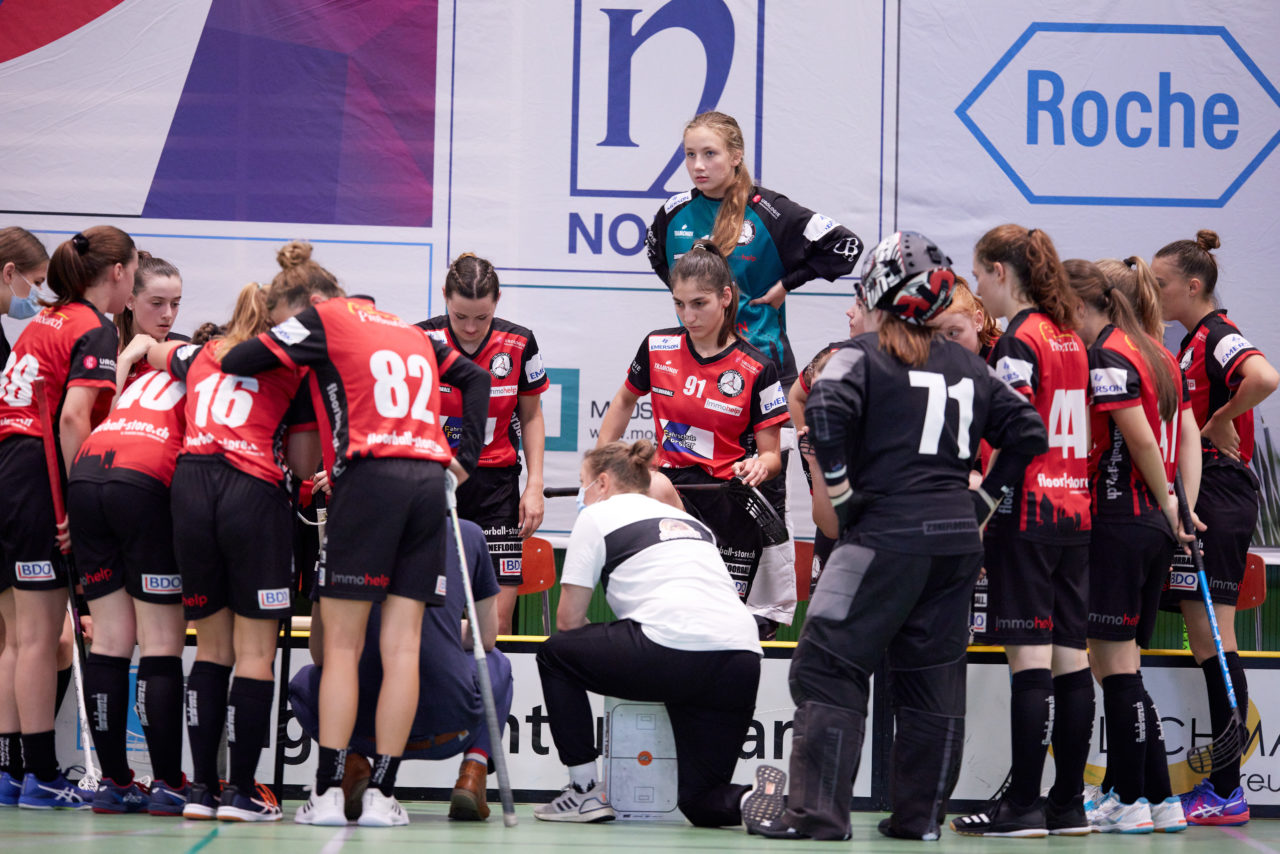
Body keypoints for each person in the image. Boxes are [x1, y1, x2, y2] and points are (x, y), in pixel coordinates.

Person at [745, 231, 1047, 842]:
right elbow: (1029, 431)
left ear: (881, 289)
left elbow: (825, 410)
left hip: (882, 537)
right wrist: (984, 499)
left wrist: (844, 492)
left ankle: (815, 818)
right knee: (932, 677)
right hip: (957, 545)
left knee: (825, 665)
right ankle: (919, 821)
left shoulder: (862, 353)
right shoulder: (967, 363)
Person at [220, 243, 490, 828]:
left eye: (282, 320)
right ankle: (381, 797)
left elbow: (238, 360)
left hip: (369, 477)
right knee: (402, 648)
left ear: (308, 302)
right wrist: (462, 459)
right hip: (427, 481)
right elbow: (474, 377)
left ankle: (325, 793)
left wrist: (287, 348)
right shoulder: (408, 328)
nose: (284, 331)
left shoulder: (323, 317)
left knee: (340, 647)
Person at [647, 111, 865, 632]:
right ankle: (690, 609)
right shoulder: (673, 211)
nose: (697, 166)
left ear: (736, 156)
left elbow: (847, 246)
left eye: (710, 155)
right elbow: (663, 263)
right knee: (695, 483)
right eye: (690, 156)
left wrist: (788, 282)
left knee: (760, 491)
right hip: (695, 367)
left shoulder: (769, 210)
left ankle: (765, 618)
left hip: (761, 365)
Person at [148, 265, 320, 822]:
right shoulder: (290, 364)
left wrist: (133, 355)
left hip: (190, 487)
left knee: (212, 649)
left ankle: (200, 790)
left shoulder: (202, 352)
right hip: (250, 492)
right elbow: (302, 464)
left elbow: (156, 355)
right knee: (253, 655)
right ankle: (241, 792)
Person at [534, 439, 773, 828]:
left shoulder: (598, 515)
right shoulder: (696, 527)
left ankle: (583, 792)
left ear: (603, 482)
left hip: (673, 649)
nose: (581, 493)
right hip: (741, 658)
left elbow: (568, 622)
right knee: (700, 800)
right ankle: (760, 800)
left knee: (555, 654)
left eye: (583, 483)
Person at [951, 225, 1094, 838]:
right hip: (1076, 512)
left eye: (980, 274)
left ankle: (1024, 806)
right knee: (1071, 659)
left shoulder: (1018, 341)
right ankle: (1067, 805)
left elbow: (1014, 433)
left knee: (1030, 662)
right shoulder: (1070, 338)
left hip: (1028, 512)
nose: (979, 286)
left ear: (1001, 273)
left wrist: (984, 502)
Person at [0, 227, 135, 808]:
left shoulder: (44, 320)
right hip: (33, 473)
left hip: (10, 465)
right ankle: (42, 775)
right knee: (35, 637)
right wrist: (81, 505)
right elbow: (74, 418)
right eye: (134, 270)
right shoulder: (91, 327)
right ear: (119, 273)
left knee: (17, 637)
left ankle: (12, 771)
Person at [1153, 230, 1279, 826]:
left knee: (1217, 639)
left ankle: (1227, 791)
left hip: (1223, 494)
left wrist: (1220, 421)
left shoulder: (1219, 336)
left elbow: (1265, 377)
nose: (1155, 292)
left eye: (1162, 284)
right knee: (1204, 643)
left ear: (1193, 287)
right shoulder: (1189, 341)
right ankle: (1221, 788)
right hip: (1201, 494)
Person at [1066, 259, 1197, 832]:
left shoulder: (1111, 354)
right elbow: (1187, 434)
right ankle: (1156, 797)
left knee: (1114, 668)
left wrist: (1170, 501)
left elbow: (1141, 437)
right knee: (1125, 667)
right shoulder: (1158, 352)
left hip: (1120, 521)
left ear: (1082, 304)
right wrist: (1180, 505)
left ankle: (1132, 799)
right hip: (1151, 527)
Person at [597, 242, 787, 619]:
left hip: (729, 501)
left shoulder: (757, 367)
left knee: (719, 620)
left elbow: (771, 455)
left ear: (725, 297)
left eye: (699, 303)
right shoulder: (657, 346)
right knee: (666, 610)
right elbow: (622, 402)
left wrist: (760, 467)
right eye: (679, 304)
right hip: (668, 493)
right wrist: (603, 465)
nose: (689, 315)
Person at [66, 252, 191, 815]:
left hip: (88, 476)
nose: (167, 315)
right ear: (132, 299)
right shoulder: (175, 360)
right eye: (157, 303)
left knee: (113, 639)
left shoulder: (140, 358)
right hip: (138, 484)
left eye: (176, 305)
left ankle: (115, 782)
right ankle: (167, 782)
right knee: (161, 642)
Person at [288, 517, 512, 823]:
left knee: (306, 681)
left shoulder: (343, 532)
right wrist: (443, 632)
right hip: (450, 726)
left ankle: (355, 766)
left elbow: (318, 652)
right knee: (497, 663)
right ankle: (473, 771)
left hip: (366, 730)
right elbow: (485, 638)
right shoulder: (469, 534)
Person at [417, 253, 549, 634]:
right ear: (444, 296)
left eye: (482, 317)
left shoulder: (519, 342)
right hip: (432, 486)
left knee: (496, 623)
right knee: (430, 615)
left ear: (497, 301)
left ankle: (487, 693)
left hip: (496, 491)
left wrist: (535, 484)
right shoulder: (419, 340)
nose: (471, 328)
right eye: (460, 317)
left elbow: (531, 416)